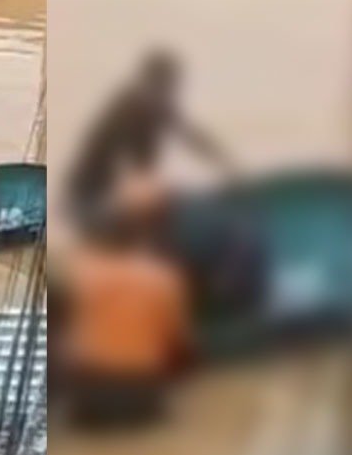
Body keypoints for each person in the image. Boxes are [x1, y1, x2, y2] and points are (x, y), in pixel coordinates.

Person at [60, 174, 192, 430]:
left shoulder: (80, 272)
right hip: (141, 393)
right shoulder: (163, 277)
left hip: (89, 394)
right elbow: (179, 342)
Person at [67, 49, 233, 226]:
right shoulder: (134, 110)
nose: (172, 92)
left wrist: (224, 161)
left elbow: (189, 134)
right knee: (163, 205)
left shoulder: (144, 103)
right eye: (169, 85)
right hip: (95, 203)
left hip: (92, 197)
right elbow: (139, 172)